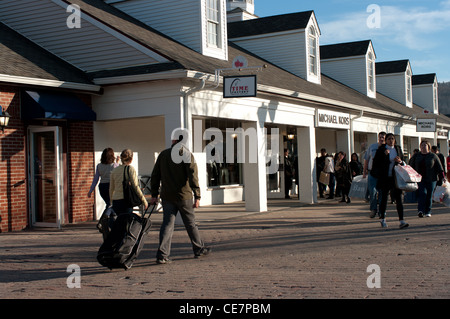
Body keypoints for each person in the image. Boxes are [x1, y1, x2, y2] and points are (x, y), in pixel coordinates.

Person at [150, 137, 210, 264]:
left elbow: (155, 175)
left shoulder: (163, 155)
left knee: (167, 224)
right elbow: (193, 176)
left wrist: (154, 194)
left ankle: (162, 254)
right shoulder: (186, 155)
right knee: (190, 223)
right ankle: (198, 249)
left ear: (173, 142)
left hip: (167, 196)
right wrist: (197, 195)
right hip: (184, 195)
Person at [371, 133, 408, 229]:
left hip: (396, 178)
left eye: (393, 139)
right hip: (385, 178)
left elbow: (403, 161)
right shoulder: (382, 149)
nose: (391, 141)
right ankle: (382, 218)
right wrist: (384, 155)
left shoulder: (397, 148)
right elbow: (376, 163)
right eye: (389, 139)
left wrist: (399, 161)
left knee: (399, 198)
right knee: (384, 198)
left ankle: (401, 220)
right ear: (386, 140)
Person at [409, 141, 445, 218]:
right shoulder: (416, 156)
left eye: (425, 145)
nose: (423, 146)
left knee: (429, 195)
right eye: (422, 145)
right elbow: (411, 165)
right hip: (420, 179)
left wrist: (443, 177)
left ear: (428, 146)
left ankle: (428, 211)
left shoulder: (433, 156)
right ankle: (420, 210)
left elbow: (440, 167)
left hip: (432, 179)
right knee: (422, 193)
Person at [109, 149, 148, 215]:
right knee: (127, 222)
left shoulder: (114, 170)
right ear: (131, 159)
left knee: (119, 222)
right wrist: (144, 200)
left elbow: (111, 188)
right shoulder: (130, 169)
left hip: (116, 200)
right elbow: (135, 186)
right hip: (126, 200)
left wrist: (111, 201)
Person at [363, 131, 386, 218]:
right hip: (372, 172)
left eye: (383, 137)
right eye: (380, 137)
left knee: (381, 193)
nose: (381, 139)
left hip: (382, 174)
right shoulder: (372, 147)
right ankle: (373, 209)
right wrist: (364, 172)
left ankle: (381, 211)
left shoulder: (387, 148)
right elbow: (366, 159)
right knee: (372, 192)